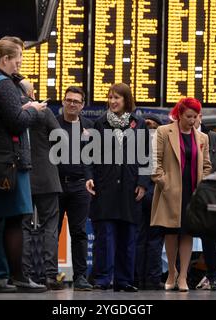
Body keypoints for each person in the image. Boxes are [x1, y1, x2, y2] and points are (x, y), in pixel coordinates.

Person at [0, 39, 47, 293]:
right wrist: (34, 109)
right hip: (9, 162)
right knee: (15, 219)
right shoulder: (3, 84)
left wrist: (21, 107)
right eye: (17, 61)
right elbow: (16, 122)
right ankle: (19, 277)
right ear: (4, 60)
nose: (18, 66)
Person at [85, 83, 150, 292]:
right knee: (105, 236)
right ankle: (102, 278)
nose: (113, 101)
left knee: (128, 237)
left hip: (130, 189)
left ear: (126, 100)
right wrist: (89, 177)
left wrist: (142, 183)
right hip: (105, 187)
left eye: (117, 98)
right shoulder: (99, 124)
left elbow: (145, 157)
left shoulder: (138, 124)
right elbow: (89, 156)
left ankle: (124, 280)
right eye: (111, 97)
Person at [150, 98, 211, 292]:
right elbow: (155, 161)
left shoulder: (202, 138)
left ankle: (183, 275)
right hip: (171, 190)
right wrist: (164, 182)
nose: (192, 120)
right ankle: (171, 272)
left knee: (187, 233)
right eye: (188, 116)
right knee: (171, 232)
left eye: (195, 117)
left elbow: (207, 165)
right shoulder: (163, 131)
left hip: (193, 191)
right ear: (179, 114)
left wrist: (203, 185)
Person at [19, 79, 65, 289]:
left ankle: (23, 274)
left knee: (24, 227)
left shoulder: (15, 113)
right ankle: (50, 275)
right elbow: (60, 138)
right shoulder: (44, 113)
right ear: (30, 94)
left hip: (23, 177)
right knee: (50, 226)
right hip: (47, 176)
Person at [56, 86, 94, 291]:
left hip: (80, 185)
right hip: (57, 184)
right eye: (69, 100)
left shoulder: (89, 126)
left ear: (82, 105)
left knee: (79, 232)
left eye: (76, 101)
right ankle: (50, 274)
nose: (72, 104)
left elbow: (95, 158)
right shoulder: (53, 124)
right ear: (63, 102)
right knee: (53, 231)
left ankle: (80, 277)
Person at [134, 113, 165, 290]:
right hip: (145, 192)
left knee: (150, 238)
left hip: (149, 192)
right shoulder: (162, 143)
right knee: (147, 238)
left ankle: (146, 278)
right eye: (147, 124)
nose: (150, 127)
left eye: (152, 124)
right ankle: (146, 278)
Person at [193, 112, 216, 290]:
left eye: (194, 116)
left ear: (200, 117)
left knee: (210, 235)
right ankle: (182, 274)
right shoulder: (178, 136)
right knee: (182, 235)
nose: (191, 120)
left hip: (209, 192)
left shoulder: (214, 139)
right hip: (186, 190)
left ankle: (213, 275)